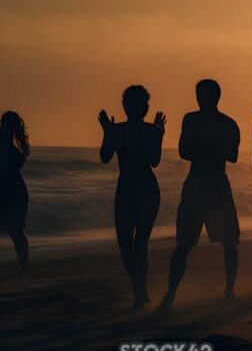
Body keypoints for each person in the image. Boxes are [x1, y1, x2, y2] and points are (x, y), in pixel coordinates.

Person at [159, 79, 241, 311]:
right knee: (185, 243)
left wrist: (204, 147)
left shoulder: (221, 123)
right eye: (198, 94)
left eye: (202, 94)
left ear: (215, 96)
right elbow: (185, 151)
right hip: (201, 185)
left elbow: (230, 156)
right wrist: (213, 148)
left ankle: (229, 290)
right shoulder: (204, 121)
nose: (199, 98)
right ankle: (171, 294)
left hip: (212, 185)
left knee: (228, 242)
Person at [98, 86, 166, 309]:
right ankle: (140, 290)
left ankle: (139, 293)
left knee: (132, 245)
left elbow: (105, 157)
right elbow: (106, 157)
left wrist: (108, 131)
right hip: (137, 189)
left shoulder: (132, 131)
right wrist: (108, 132)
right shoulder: (148, 130)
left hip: (137, 189)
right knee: (133, 245)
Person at [0, 112, 30, 271]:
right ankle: (24, 264)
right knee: (16, 231)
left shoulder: (14, 145)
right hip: (12, 190)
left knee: (16, 230)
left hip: (13, 192)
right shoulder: (16, 145)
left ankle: (24, 265)